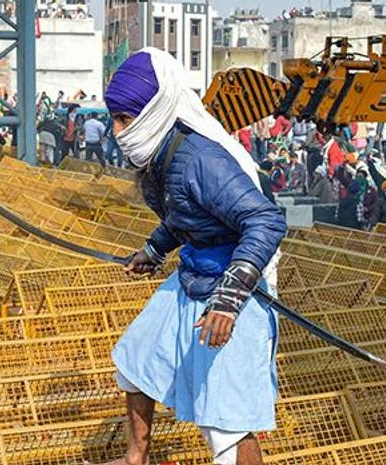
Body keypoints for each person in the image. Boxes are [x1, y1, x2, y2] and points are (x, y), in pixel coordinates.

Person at [102, 48, 286, 465]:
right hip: (193, 274)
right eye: (115, 119)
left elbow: (265, 221)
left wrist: (229, 300)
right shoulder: (162, 152)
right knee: (135, 362)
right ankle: (135, 458)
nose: (117, 131)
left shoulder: (201, 159)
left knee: (225, 421)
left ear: (153, 111)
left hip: (233, 285)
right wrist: (153, 250)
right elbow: (187, 214)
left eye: (124, 119)